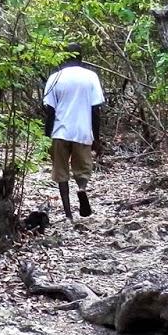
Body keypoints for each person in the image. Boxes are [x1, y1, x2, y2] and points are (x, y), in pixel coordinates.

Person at [42, 45, 105, 223]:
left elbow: (50, 112)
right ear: (81, 58)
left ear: (64, 57)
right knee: (83, 169)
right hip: (82, 131)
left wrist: (47, 137)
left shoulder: (55, 78)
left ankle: (68, 214)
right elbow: (95, 110)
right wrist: (97, 138)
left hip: (60, 131)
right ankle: (82, 189)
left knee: (61, 173)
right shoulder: (91, 77)